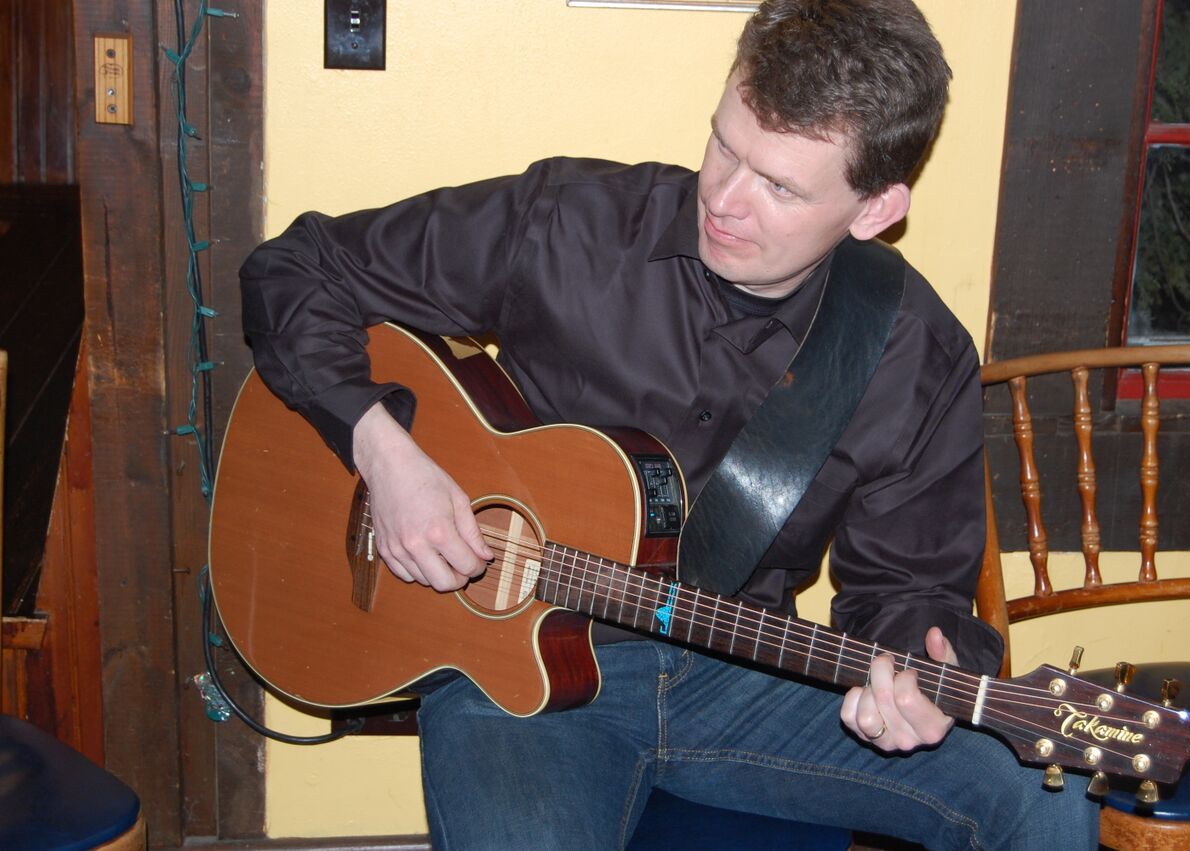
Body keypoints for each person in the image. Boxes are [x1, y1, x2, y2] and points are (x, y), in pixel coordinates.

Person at [240, 0, 1099, 847]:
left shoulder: (914, 353)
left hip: (742, 671)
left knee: (1040, 794)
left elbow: (907, 589)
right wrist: (383, 451)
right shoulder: (572, 224)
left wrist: (916, 672)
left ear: (874, 210)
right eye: (724, 144)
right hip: (511, 671)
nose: (723, 198)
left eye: (779, 186)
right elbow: (298, 268)